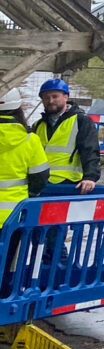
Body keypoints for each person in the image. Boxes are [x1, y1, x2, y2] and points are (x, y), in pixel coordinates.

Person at [1, 87, 49, 288]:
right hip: (15, 214)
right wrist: (31, 194)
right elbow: (40, 177)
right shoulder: (30, 139)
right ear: (18, 109)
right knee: (7, 261)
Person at [32, 78, 100, 195]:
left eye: (55, 96)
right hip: (41, 184)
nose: (50, 101)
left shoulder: (81, 121)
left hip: (69, 184)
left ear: (65, 97)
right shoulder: (38, 125)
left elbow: (90, 150)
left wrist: (90, 177)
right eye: (46, 98)